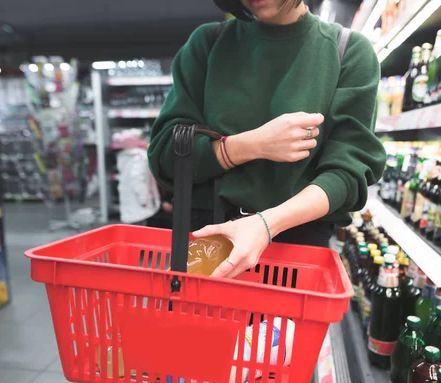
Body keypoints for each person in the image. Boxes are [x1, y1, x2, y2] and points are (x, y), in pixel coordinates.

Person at [148, 0, 386, 280]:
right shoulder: (208, 43)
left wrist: (265, 225)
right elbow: (165, 159)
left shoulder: (347, 51)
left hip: (295, 250)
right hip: (205, 243)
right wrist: (253, 145)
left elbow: (347, 175)